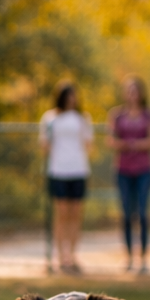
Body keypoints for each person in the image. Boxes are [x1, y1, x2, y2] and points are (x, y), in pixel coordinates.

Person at [107, 75, 150, 274]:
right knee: (127, 214)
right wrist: (125, 144)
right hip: (123, 171)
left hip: (144, 170)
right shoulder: (117, 115)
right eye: (129, 90)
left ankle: (144, 258)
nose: (132, 94)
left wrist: (134, 144)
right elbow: (110, 140)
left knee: (143, 213)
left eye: (135, 90)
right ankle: (129, 257)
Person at [39, 81, 93, 274]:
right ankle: (60, 255)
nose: (72, 99)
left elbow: (88, 143)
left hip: (78, 171)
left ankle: (73, 254)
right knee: (61, 213)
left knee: (75, 214)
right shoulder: (51, 118)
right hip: (58, 171)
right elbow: (44, 143)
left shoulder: (82, 118)